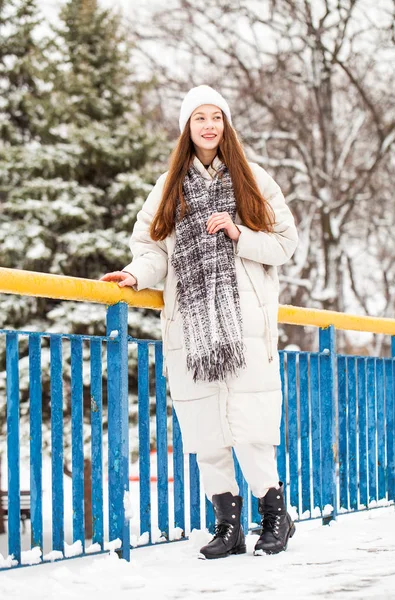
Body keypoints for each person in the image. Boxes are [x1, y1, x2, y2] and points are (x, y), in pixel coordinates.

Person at [101, 85, 298, 559]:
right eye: (199, 118)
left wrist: (239, 233)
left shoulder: (254, 179)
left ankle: (275, 516)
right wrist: (133, 274)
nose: (209, 126)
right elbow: (151, 251)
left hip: (246, 327)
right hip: (190, 327)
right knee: (207, 430)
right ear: (187, 129)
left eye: (216, 117)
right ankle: (227, 526)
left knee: (251, 428)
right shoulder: (167, 186)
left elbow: (286, 244)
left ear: (226, 125)